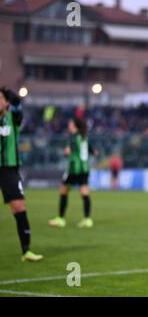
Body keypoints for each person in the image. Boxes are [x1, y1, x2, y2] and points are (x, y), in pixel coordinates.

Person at [0, 87, 43, 262]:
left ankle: (26, 251)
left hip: (9, 169)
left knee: (20, 208)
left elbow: (18, 104)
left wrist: (9, 93)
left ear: (6, 102)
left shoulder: (13, 118)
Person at [48, 117, 94, 228]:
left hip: (74, 169)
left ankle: (60, 219)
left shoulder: (74, 137)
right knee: (84, 192)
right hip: (84, 168)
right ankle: (87, 219)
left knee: (63, 191)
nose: (69, 124)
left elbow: (69, 150)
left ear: (74, 125)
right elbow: (91, 149)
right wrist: (94, 152)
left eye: (70, 122)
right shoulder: (83, 136)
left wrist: (66, 151)